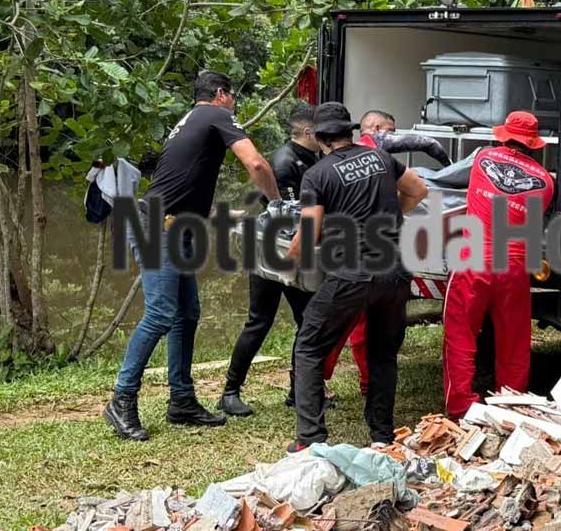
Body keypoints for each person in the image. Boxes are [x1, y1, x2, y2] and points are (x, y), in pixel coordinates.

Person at [103, 71, 282, 441]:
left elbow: (182, 182)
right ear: (221, 94)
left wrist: (215, 215)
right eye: (234, 97)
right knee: (161, 312)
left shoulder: (190, 120)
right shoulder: (216, 115)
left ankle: (181, 399)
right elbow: (257, 164)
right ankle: (122, 399)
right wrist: (278, 204)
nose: (234, 104)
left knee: (187, 313)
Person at [287, 102, 428, 451]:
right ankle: (382, 435)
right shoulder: (381, 158)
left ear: (320, 138)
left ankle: (310, 440)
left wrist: (285, 254)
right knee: (383, 353)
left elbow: (309, 235)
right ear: (349, 132)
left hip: (352, 275)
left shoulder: (317, 174)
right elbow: (418, 191)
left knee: (308, 348)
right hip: (395, 272)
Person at [317, 109, 453, 396]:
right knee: (360, 326)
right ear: (376, 128)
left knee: (343, 322)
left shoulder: (333, 160)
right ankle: (365, 384)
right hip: (374, 254)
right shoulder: (377, 145)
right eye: (391, 129)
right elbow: (427, 145)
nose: (393, 135)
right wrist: (448, 166)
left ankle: (315, 378)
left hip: (344, 250)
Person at [441, 110, 554, 420]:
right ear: (534, 144)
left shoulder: (482, 159)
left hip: (472, 262)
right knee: (514, 341)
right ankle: (511, 405)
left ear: (504, 135)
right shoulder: (545, 182)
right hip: (514, 268)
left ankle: (462, 407)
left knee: (461, 335)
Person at [217, 105, 319, 417]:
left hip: (294, 246)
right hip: (272, 248)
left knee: (307, 319)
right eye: (321, 132)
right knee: (259, 320)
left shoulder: (312, 158)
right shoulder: (285, 161)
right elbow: (290, 212)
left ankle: (297, 390)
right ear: (306, 132)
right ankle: (230, 391)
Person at [356, 110, 452, 167]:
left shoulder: (354, 149)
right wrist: (450, 167)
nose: (391, 135)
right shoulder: (378, 139)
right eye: (390, 131)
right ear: (377, 129)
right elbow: (429, 143)